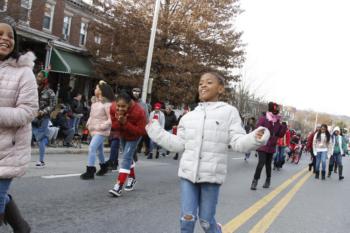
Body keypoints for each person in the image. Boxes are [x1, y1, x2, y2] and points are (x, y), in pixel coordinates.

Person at [146, 72, 269, 233]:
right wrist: (155, 131)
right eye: (200, 83)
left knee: (205, 221)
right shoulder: (188, 117)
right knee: (186, 220)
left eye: (209, 82)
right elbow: (178, 144)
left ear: (221, 89)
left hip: (211, 176)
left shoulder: (229, 112)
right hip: (188, 174)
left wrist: (255, 137)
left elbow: (237, 142)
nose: (203, 85)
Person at [0, 16, 38, 232]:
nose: (5, 38)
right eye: (0, 34)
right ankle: (22, 227)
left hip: (8, 150)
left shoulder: (24, 72)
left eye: (10, 35)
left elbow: (28, 111)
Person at [108, 92, 146, 197]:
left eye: (123, 106)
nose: (120, 109)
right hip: (122, 134)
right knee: (128, 157)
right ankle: (132, 178)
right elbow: (115, 126)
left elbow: (140, 132)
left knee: (125, 158)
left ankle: (118, 186)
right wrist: (119, 122)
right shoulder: (112, 108)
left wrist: (125, 123)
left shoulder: (139, 112)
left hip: (134, 136)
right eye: (118, 106)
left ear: (129, 104)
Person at [80, 80, 114, 180]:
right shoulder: (95, 103)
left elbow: (111, 119)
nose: (95, 89)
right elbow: (92, 115)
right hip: (93, 129)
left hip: (101, 131)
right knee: (99, 151)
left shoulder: (107, 104)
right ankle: (104, 167)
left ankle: (90, 171)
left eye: (96, 88)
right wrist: (88, 123)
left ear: (101, 90)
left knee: (92, 148)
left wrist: (102, 126)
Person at [250, 102, 287, 190]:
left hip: (272, 145)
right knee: (261, 163)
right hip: (263, 144)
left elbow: (280, 134)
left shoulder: (278, 121)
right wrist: (259, 140)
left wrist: (284, 127)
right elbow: (258, 129)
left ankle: (268, 180)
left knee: (268, 165)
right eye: (276, 109)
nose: (278, 111)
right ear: (272, 109)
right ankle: (255, 181)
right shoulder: (264, 118)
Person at [32, 69, 56, 167]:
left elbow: (53, 105)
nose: (38, 78)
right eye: (37, 76)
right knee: (25, 135)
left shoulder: (50, 92)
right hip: (31, 116)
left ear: (45, 79)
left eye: (40, 76)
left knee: (40, 139)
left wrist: (42, 112)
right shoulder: (33, 88)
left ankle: (41, 161)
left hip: (43, 118)